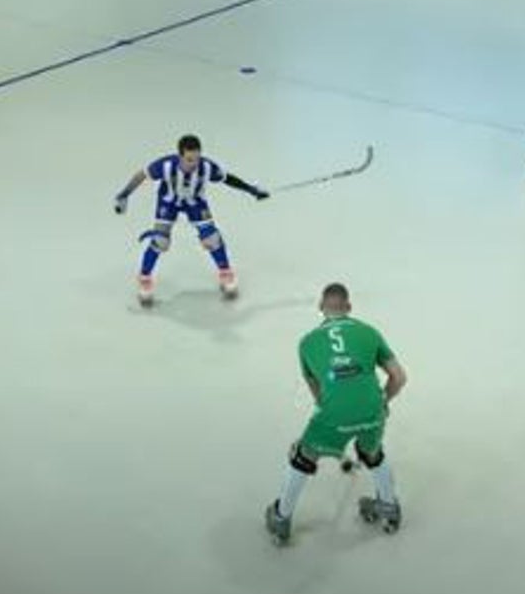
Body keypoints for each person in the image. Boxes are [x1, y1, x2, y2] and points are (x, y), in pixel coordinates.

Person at [265, 283, 408, 546]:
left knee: (302, 457)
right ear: (349, 308)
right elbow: (399, 377)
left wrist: (335, 424)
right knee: (373, 454)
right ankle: (388, 508)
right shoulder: (369, 332)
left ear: (321, 307)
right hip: (372, 408)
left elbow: (318, 395)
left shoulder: (307, 343)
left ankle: (281, 518)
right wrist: (383, 402)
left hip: (334, 414)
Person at [113, 134, 268, 306]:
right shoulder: (165, 166)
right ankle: (144, 277)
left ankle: (225, 272)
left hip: (195, 202)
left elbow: (227, 178)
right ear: (180, 156)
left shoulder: (206, 167)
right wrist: (124, 195)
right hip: (169, 202)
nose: (193, 164)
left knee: (212, 238)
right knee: (160, 241)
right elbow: (141, 175)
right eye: (188, 160)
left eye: (196, 159)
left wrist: (251, 190)